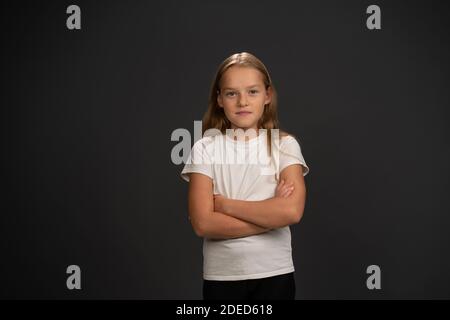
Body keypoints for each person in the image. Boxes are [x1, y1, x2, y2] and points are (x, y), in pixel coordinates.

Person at [180, 52, 309, 300]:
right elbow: (202, 224)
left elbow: (291, 212)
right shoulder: (205, 148)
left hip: (275, 273)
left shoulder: (283, 145)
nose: (242, 102)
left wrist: (225, 205)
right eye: (231, 93)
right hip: (222, 277)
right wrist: (271, 216)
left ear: (267, 95)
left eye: (252, 91)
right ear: (219, 99)